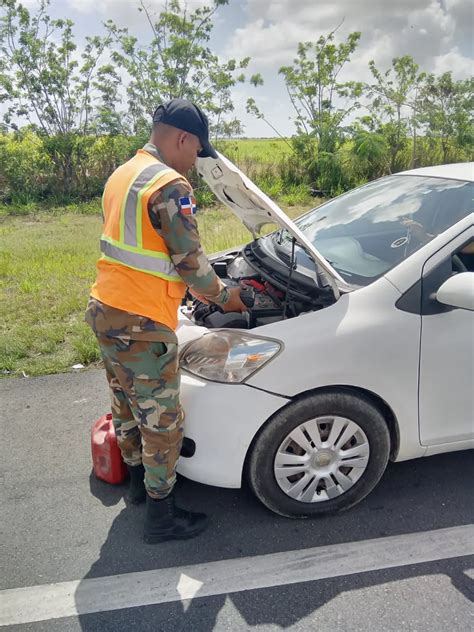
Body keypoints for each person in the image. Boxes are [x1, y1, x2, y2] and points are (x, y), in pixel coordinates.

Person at [85, 99, 247, 544]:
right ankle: (162, 516)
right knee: (163, 421)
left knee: (125, 402)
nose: (196, 161)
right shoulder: (170, 185)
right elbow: (193, 268)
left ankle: (137, 484)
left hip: (105, 309)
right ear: (182, 138)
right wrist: (227, 299)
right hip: (142, 320)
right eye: (196, 151)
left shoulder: (124, 173)